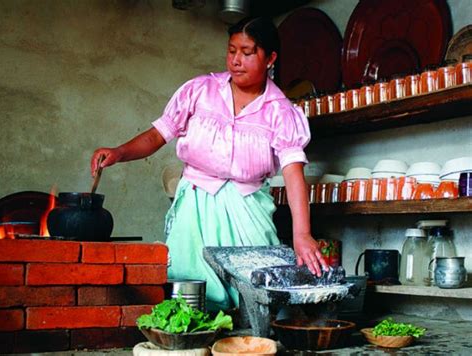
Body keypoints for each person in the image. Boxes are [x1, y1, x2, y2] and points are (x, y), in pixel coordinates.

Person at [91, 17, 328, 311]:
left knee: (253, 294)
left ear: (270, 58)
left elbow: (294, 175)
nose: (236, 60)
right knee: (189, 295)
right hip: (196, 204)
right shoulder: (200, 91)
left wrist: (301, 234)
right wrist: (119, 152)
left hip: (247, 208)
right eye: (231, 51)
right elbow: (157, 134)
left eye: (247, 52)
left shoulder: (281, 112)